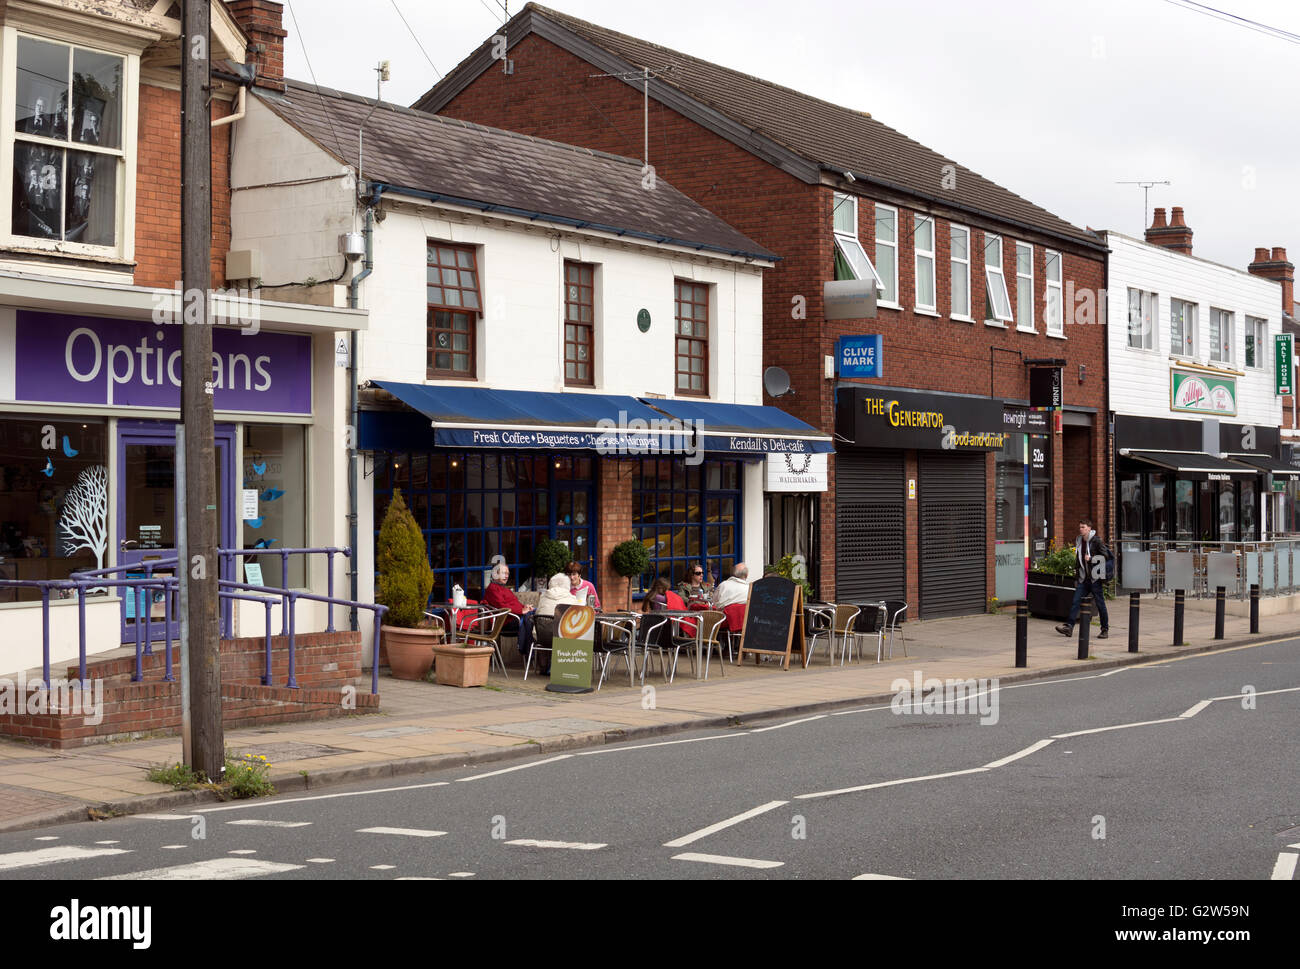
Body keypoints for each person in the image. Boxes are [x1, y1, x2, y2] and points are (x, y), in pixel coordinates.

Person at [1056, 518, 1110, 640]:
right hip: (1083, 579)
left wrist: (1091, 559)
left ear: (1090, 528)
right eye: (1080, 527)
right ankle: (1069, 627)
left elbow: (1105, 556)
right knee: (1075, 602)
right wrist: (1077, 577)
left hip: (1095, 578)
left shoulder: (1096, 541)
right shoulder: (1080, 540)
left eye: (1083, 527)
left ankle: (1104, 629)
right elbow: (1078, 559)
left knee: (1100, 604)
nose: (1081, 529)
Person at [481, 562, 535, 657]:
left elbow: (515, 604)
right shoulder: (492, 589)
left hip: (514, 617)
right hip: (505, 622)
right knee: (532, 620)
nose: (506, 576)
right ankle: (529, 653)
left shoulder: (503, 588)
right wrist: (522, 611)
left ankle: (531, 652)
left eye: (507, 574)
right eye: (503, 573)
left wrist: (525, 607)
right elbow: (502, 606)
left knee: (536, 617)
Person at [532, 573, 580, 675]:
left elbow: (537, 614)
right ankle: (564, 668)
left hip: (542, 636)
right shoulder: (572, 599)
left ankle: (546, 666)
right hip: (563, 637)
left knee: (550, 630)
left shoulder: (543, 597)